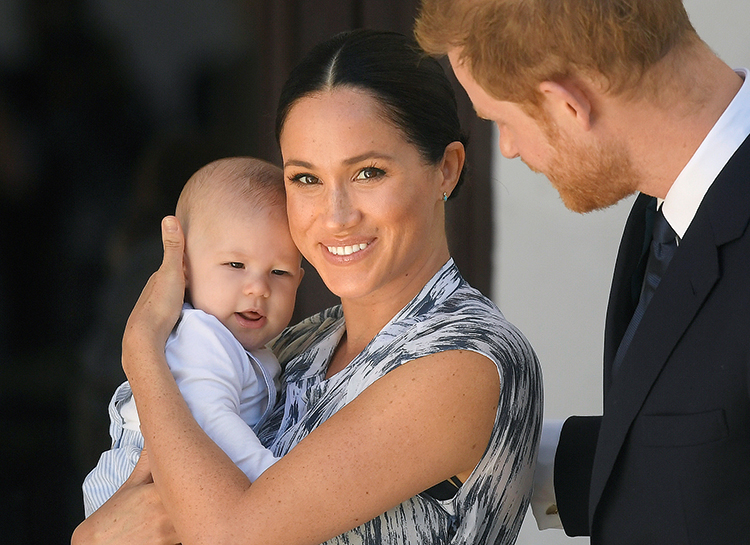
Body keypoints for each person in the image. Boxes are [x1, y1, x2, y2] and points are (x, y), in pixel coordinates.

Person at [71, 29, 542, 545]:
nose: (336, 217)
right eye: (306, 179)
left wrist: (142, 350)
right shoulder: (299, 345)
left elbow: (232, 534)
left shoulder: (466, 359)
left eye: (368, 172)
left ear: (446, 170)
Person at [415, 0, 750, 543]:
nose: (511, 148)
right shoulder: (668, 200)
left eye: (502, 121)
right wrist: (498, 445)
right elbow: (713, 451)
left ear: (567, 104)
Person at [81, 156, 304, 516]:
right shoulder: (202, 338)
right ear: (183, 268)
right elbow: (211, 419)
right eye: (236, 265)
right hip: (138, 487)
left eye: (280, 272)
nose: (259, 288)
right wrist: (271, 480)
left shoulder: (252, 347)